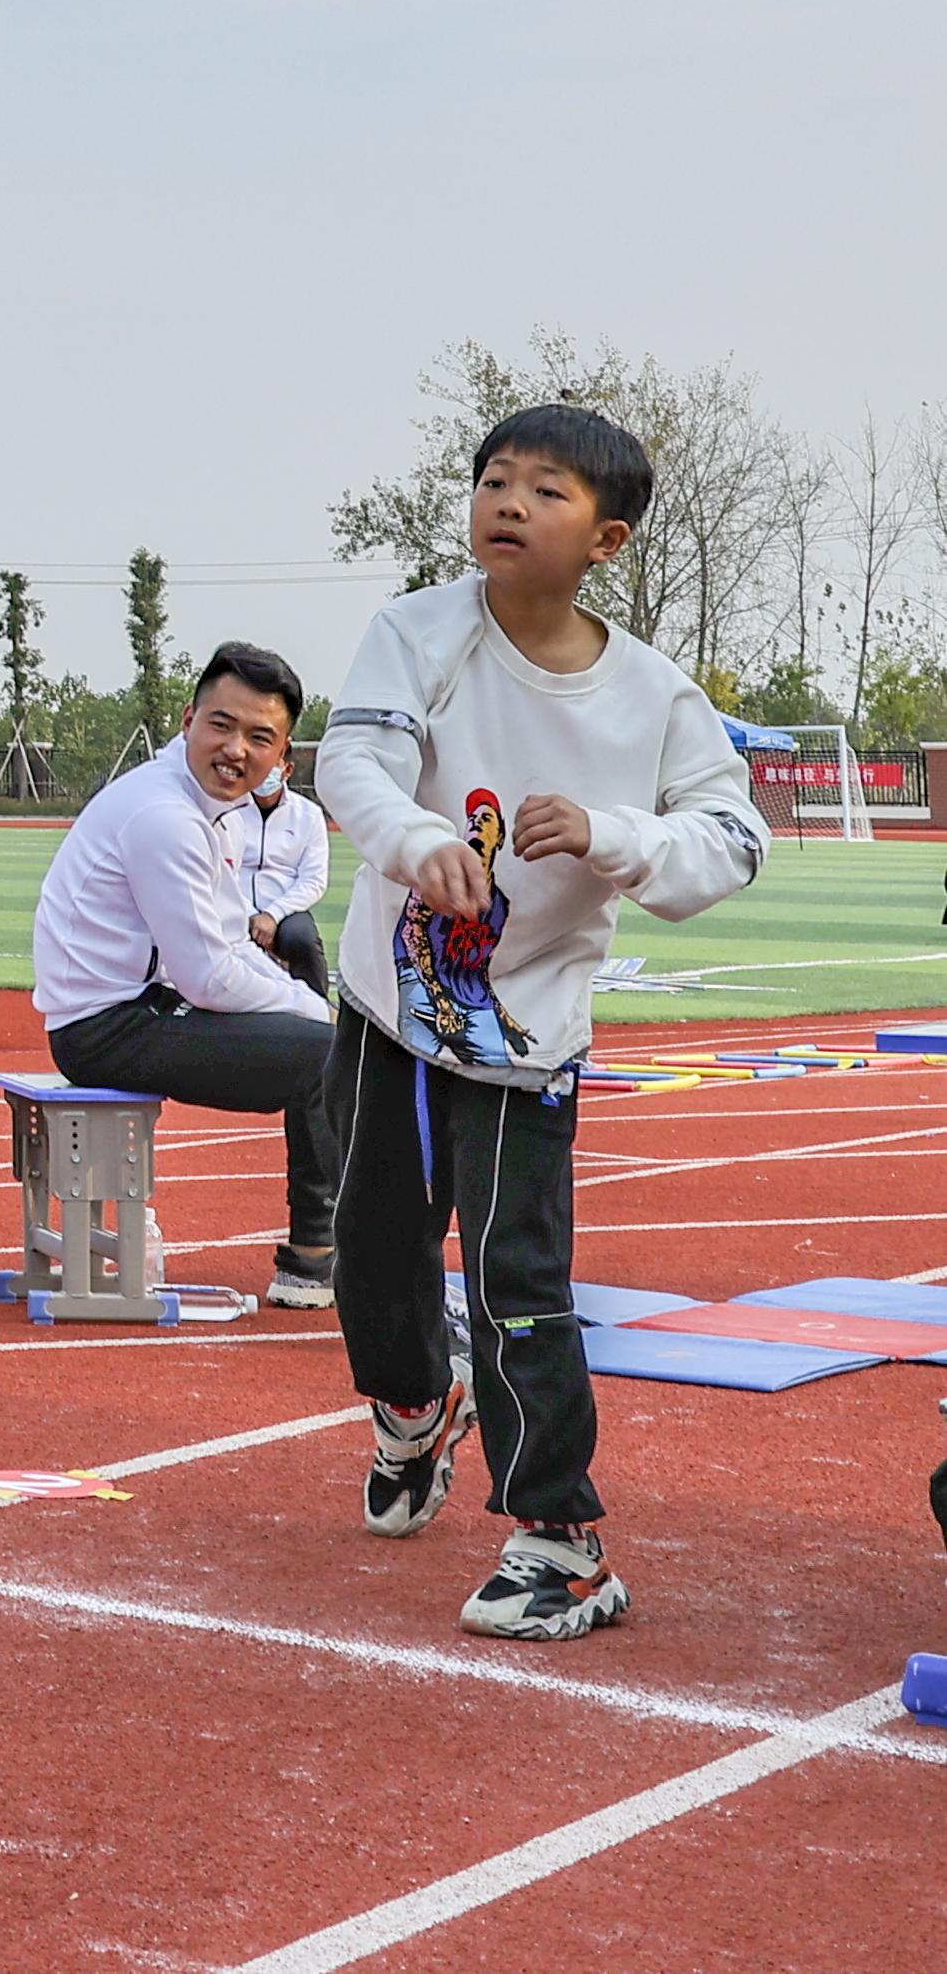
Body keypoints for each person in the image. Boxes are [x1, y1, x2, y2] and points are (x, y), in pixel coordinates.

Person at [313, 401, 765, 1644]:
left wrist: (619, 836)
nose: (508, 502)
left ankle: (558, 1539)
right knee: (372, 1252)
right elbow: (352, 763)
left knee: (517, 1276)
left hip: (528, 1033)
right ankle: (414, 1407)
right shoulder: (419, 631)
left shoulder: (654, 699)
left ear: (608, 538)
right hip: (391, 1010)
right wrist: (412, 845)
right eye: (494, 480)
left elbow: (731, 839)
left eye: (546, 489)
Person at [27, 644, 338, 1308]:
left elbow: (230, 943)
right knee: (333, 1059)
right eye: (221, 725)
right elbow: (208, 978)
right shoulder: (165, 815)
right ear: (188, 718)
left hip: (136, 1007)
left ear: (282, 756)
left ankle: (321, 1248)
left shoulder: (202, 807)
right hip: (105, 1028)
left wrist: (304, 1002)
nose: (235, 749)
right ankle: (324, 1253)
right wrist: (315, 1014)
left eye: (260, 737)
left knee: (328, 1042)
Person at [246, 761, 333, 996]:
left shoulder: (308, 815)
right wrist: (249, 914)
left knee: (302, 940)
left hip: (285, 907)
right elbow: (220, 871)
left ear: (288, 770)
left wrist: (272, 915)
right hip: (233, 904)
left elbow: (314, 880)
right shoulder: (228, 809)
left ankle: (321, 1015)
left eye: (273, 764)